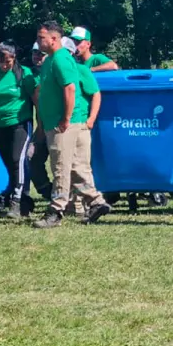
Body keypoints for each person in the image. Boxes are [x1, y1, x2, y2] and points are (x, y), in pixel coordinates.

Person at [32, 21, 111, 228]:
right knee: (76, 166)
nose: (39, 41)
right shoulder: (50, 60)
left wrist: (65, 119)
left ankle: (56, 211)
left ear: (54, 39)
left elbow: (70, 89)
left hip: (64, 125)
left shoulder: (60, 59)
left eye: (42, 37)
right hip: (58, 122)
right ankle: (96, 202)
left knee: (60, 167)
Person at [0, 41, 37, 219]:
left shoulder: (24, 74)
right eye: (0, 61)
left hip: (20, 123)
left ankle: (16, 203)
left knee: (17, 160)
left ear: (14, 59)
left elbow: (36, 99)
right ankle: (21, 199)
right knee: (10, 164)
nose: (4, 66)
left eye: (8, 62)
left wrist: (40, 124)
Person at [62, 37, 104, 220]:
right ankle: (73, 204)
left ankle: (92, 203)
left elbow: (95, 93)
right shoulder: (54, 70)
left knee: (80, 166)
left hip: (79, 124)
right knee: (66, 165)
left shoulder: (81, 70)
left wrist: (91, 119)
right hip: (61, 126)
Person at [24, 41, 53, 202]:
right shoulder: (29, 75)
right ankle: (46, 190)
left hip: (58, 124)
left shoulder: (54, 72)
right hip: (41, 126)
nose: (37, 56)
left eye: (41, 53)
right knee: (31, 157)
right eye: (35, 53)